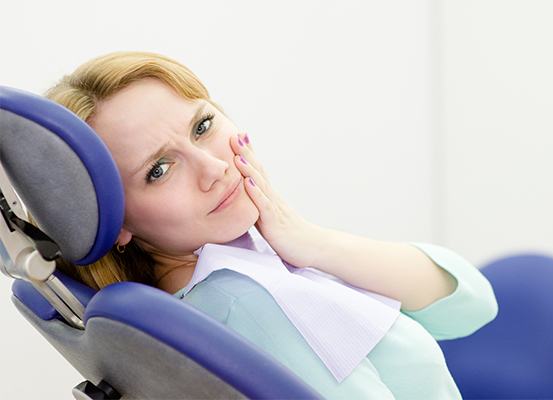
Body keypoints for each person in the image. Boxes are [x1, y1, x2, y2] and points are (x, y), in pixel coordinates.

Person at [45, 51, 498, 399]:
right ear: (116, 223)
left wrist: (307, 240)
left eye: (202, 125)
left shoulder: (244, 257)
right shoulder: (243, 303)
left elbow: (470, 305)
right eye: (159, 170)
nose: (213, 168)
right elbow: (471, 312)